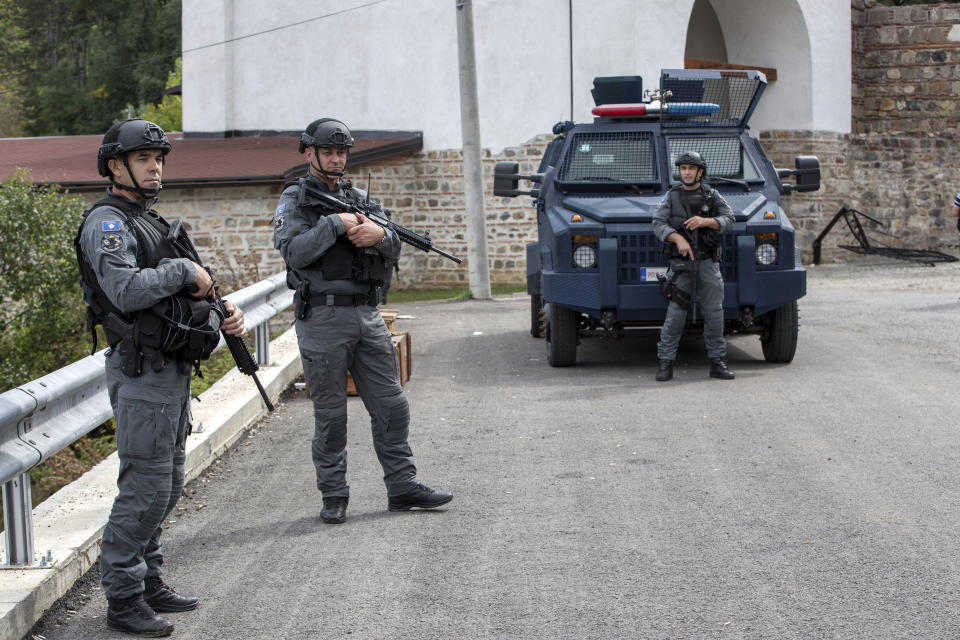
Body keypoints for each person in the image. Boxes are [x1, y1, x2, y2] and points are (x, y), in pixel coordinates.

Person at [75, 119, 246, 637]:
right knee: (146, 487)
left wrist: (222, 310)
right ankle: (123, 600)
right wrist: (184, 273)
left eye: (160, 159)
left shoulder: (147, 220)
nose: (156, 167)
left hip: (168, 372)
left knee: (166, 483)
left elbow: (184, 298)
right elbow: (126, 291)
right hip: (142, 372)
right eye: (146, 158)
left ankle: (148, 581)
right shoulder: (107, 223)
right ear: (115, 166)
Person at [273, 117, 452, 525]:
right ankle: (334, 495)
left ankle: (402, 486)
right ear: (309, 152)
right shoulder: (295, 200)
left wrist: (379, 237)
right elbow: (293, 251)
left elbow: (395, 243)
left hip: (367, 313)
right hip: (322, 316)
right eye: (328, 151)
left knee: (392, 405)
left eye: (342, 152)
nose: (336, 159)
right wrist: (334, 224)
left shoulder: (361, 199)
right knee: (332, 415)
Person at [652, 150, 735, 382]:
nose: (687, 173)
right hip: (681, 266)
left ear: (700, 171)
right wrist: (677, 239)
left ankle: (717, 362)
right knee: (675, 316)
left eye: (691, 169)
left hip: (707, 263)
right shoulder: (671, 197)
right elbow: (658, 223)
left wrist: (707, 221)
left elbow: (730, 220)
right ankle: (665, 363)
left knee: (715, 315)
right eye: (683, 169)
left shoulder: (712, 196)